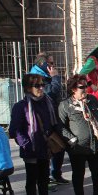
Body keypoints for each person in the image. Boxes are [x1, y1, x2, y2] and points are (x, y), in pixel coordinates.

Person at [9, 73, 60, 195]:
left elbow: (52, 122)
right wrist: (26, 144)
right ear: (27, 88)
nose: (41, 88)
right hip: (31, 149)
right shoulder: (21, 106)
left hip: (45, 147)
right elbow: (14, 130)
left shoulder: (47, 102)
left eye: (43, 84)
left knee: (44, 178)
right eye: (37, 85)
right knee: (32, 180)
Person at [58, 74, 98, 195]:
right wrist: (72, 139)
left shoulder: (92, 100)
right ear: (73, 89)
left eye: (86, 86)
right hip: (78, 148)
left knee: (97, 173)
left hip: (95, 145)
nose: (85, 89)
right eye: (82, 87)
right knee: (78, 175)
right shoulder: (65, 105)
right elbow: (61, 126)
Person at [29, 52, 69, 185]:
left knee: (59, 145)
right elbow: (51, 93)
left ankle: (56, 174)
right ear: (43, 64)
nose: (53, 66)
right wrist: (56, 77)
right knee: (47, 149)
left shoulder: (45, 76)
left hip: (55, 116)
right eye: (50, 63)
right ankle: (46, 179)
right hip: (43, 119)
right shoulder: (36, 78)